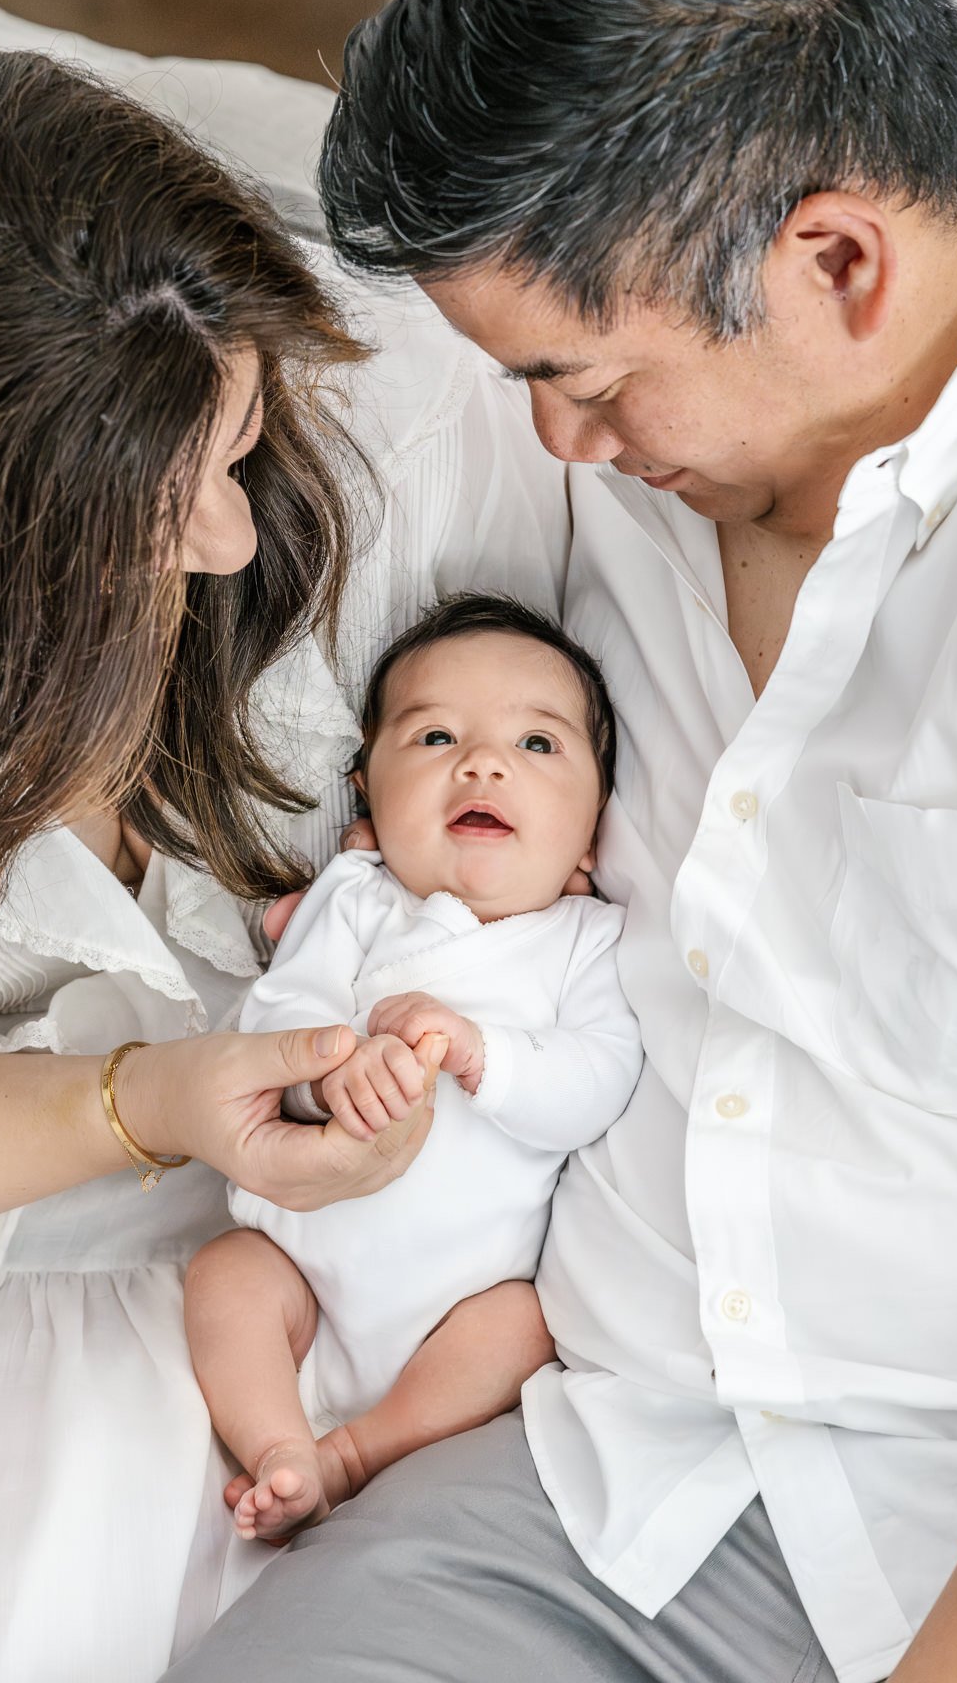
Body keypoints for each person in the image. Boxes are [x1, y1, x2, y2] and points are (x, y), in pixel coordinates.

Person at [165, 0, 957, 1683]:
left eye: (585, 377)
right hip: (616, 1471)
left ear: (835, 266)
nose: (557, 438)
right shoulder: (616, 495)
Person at [0, 44, 561, 1683]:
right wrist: (141, 1102)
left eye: (233, 440)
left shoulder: (393, 444)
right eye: (169, 509)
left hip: (262, 1291)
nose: (229, 537)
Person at [184, 593, 641, 1541]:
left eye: (538, 746)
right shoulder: (356, 897)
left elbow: (597, 1083)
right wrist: (323, 1074)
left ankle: (355, 1455)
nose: (481, 762)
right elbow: (276, 1013)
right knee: (227, 1274)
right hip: (297, 1263)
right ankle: (276, 1441)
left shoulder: (582, 942)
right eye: (434, 736)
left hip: (457, 1306)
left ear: (593, 831)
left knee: (523, 1327)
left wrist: (483, 1055)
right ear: (368, 792)